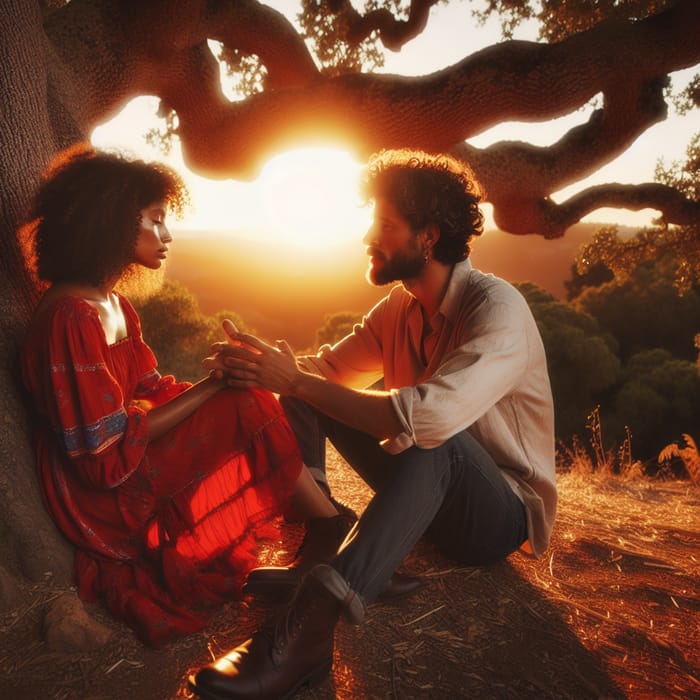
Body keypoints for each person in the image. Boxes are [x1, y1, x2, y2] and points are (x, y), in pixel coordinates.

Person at [189, 148, 558, 699]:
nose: (366, 236)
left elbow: (428, 420)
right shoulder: (400, 308)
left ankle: (312, 629)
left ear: (427, 236)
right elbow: (324, 374)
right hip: (424, 492)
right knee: (308, 385)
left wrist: (294, 380)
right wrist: (261, 365)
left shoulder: (496, 308)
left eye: (384, 223)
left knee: (434, 435)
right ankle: (326, 533)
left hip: (495, 514)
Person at [18, 145, 353, 648]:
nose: (167, 234)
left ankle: (329, 531)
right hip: (99, 494)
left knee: (246, 392)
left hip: (128, 457)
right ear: (110, 221)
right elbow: (101, 451)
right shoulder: (71, 317)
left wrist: (223, 374)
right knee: (243, 402)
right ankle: (332, 530)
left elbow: (150, 391)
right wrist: (214, 390)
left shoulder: (115, 306)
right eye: (155, 220)